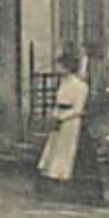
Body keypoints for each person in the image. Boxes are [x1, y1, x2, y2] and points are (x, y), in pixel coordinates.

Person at [37, 53, 89, 192]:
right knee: (54, 147)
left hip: (71, 121)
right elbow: (59, 103)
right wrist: (54, 116)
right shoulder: (63, 83)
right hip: (59, 118)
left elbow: (78, 108)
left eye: (60, 66)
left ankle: (64, 178)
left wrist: (62, 118)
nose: (58, 69)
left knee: (66, 149)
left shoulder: (81, 86)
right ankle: (52, 176)